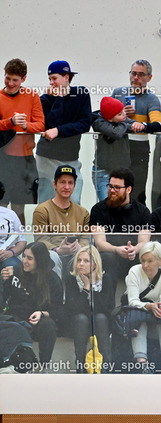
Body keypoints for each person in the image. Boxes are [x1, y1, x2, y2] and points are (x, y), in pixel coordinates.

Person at [36, 60, 91, 204]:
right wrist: (58, 98)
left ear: (66, 77)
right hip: (47, 156)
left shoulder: (81, 94)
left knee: (73, 201)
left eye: (54, 78)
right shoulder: (45, 99)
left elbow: (85, 124)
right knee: (47, 202)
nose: (51, 83)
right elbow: (51, 124)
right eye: (49, 79)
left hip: (71, 157)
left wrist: (58, 131)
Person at [0, 242, 62, 366]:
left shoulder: (53, 280)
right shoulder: (15, 272)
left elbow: (59, 311)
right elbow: (3, 299)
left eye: (29, 258)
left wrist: (42, 313)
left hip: (37, 319)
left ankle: (44, 366)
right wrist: (3, 281)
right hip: (15, 317)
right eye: (23, 256)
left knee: (48, 326)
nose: (24, 261)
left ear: (39, 260)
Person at [111, 59, 161, 204]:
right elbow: (104, 119)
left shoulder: (151, 99)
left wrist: (142, 126)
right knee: (117, 191)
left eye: (141, 74)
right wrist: (119, 114)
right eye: (133, 73)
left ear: (149, 77)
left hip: (139, 149)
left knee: (137, 192)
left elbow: (158, 125)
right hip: (118, 146)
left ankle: (138, 218)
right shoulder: (118, 93)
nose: (136, 78)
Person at [0, 58, 44, 224]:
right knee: (1, 206)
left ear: (23, 79)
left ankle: (19, 240)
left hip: (24, 159)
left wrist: (26, 125)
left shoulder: (32, 96)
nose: (10, 83)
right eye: (7, 78)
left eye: (15, 80)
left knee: (19, 208)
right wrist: (10, 122)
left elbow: (41, 124)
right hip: (2, 158)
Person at [89, 168, 151, 284]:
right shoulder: (98, 210)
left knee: (147, 257)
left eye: (117, 188)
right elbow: (100, 243)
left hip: (133, 256)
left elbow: (144, 241)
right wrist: (116, 249)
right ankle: (108, 296)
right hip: (110, 255)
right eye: (110, 186)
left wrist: (134, 249)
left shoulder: (143, 211)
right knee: (108, 258)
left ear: (128, 189)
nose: (112, 190)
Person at [124, 241, 161, 374]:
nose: (145, 265)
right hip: (138, 310)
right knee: (138, 318)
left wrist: (160, 307)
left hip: (156, 311)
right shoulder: (134, 271)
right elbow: (132, 301)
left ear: (160, 261)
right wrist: (149, 306)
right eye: (143, 260)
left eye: (150, 261)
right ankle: (142, 364)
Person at [32, 165, 90, 277]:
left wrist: (79, 248)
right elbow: (41, 240)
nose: (66, 187)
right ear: (55, 184)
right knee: (52, 256)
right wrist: (58, 250)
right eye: (62, 182)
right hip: (53, 253)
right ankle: (56, 289)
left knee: (89, 254)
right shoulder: (42, 210)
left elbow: (86, 238)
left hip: (76, 254)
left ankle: (85, 288)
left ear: (74, 185)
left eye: (70, 183)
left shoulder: (83, 212)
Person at [63, 246, 114, 373]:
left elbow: (107, 308)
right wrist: (86, 287)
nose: (81, 264)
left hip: (100, 321)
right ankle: (80, 365)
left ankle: (105, 366)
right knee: (82, 319)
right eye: (79, 260)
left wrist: (93, 285)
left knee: (100, 318)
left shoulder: (106, 279)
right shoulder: (71, 279)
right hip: (77, 322)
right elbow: (72, 308)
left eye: (86, 261)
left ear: (95, 264)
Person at [91, 97, 146, 201]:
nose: (124, 114)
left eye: (123, 111)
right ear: (110, 119)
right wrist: (127, 126)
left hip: (122, 172)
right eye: (120, 114)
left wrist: (134, 125)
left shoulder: (122, 120)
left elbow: (134, 125)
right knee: (107, 205)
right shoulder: (99, 122)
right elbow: (116, 133)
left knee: (122, 205)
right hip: (103, 172)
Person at [0, 181, 27, 270]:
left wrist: (10, 253)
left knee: (17, 268)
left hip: (6, 257)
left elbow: (22, 241)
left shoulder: (10, 214)